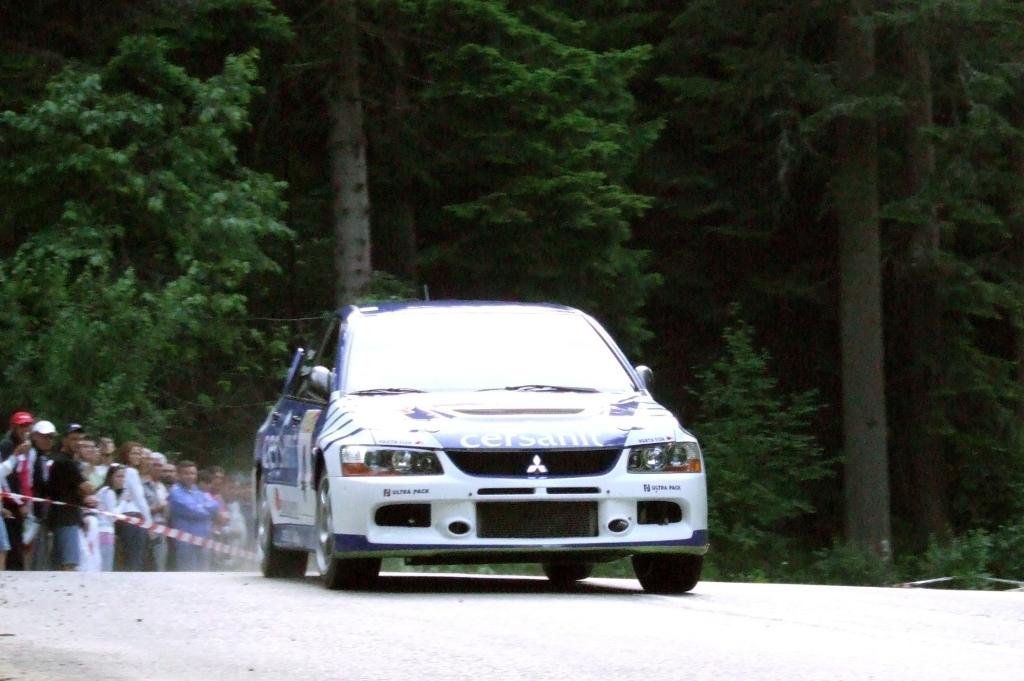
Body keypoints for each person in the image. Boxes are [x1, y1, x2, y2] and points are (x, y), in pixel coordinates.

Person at [43, 429, 97, 570]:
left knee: (62, 562)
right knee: (69, 562)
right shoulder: (65, 462)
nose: (77, 443)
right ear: (64, 440)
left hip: (67, 516)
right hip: (65, 518)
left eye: (79, 439)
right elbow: (89, 488)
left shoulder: (69, 462)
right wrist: (85, 488)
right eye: (73, 439)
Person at [168, 460, 220, 571]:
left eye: (192, 473)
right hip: (185, 540)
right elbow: (190, 509)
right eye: (186, 473)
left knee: (204, 572)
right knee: (187, 573)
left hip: (203, 537)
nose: (190, 476)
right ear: (178, 475)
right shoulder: (175, 492)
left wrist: (200, 507)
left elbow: (215, 505)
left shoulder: (198, 491)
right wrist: (205, 509)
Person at [1, 411, 35, 569]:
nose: (25, 429)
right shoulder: (7, 445)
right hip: (9, 503)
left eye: (28, 425)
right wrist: (19, 502)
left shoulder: (29, 448)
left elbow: (26, 477)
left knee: (19, 544)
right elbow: (5, 477)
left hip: (22, 503)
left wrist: (27, 501)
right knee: (10, 546)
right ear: (14, 427)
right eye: (22, 426)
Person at [111, 441, 152, 570]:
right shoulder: (131, 472)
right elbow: (140, 500)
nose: (138, 456)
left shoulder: (116, 470)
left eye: (139, 453)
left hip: (121, 518)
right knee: (135, 560)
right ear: (126, 454)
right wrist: (149, 522)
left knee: (126, 558)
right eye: (134, 453)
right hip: (133, 517)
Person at [95, 464, 127, 571]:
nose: (122, 480)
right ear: (110, 477)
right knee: (105, 567)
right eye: (119, 476)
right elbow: (113, 516)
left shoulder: (103, 490)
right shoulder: (109, 492)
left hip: (100, 531)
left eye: (123, 476)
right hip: (105, 531)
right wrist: (124, 501)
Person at [142, 451, 170, 571]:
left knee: (160, 566)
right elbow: (139, 510)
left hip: (162, 528)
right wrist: (158, 507)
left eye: (160, 465)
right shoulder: (141, 485)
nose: (158, 468)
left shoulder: (163, 487)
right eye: (155, 465)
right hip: (146, 529)